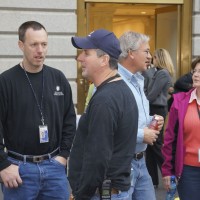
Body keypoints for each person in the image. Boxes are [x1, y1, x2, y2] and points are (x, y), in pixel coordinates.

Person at [0, 21, 76, 200]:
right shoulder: (5, 82)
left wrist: (64, 155)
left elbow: (69, 121)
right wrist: (3, 165)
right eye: (34, 44)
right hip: (18, 171)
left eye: (44, 44)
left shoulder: (58, 78)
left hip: (55, 168)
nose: (40, 50)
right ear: (21, 45)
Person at [68, 29, 139, 200]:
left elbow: (98, 157)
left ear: (104, 60)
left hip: (101, 193)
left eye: (86, 53)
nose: (80, 58)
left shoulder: (105, 100)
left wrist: (81, 194)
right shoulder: (120, 90)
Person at [118, 31, 164, 200]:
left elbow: (134, 117)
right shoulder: (114, 82)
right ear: (131, 53)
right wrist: (141, 135)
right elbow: (107, 127)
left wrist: (153, 121)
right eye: (146, 51)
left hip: (141, 161)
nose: (150, 56)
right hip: (122, 163)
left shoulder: (139, 79)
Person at [162, 56, 200, 200]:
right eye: (194, 71)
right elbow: (170, 138)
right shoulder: (180, 101)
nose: (195, 75)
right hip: (189, 172)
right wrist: (167, 171)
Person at [144, 48, 175, 187]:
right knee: (150, 147)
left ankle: (170, 175)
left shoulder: (162, 73)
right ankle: (153, 181)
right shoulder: (159, 72)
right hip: (155, 109)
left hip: (157, 110)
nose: (151, 59)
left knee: (155, 144)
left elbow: (151, 94)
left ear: (159, 58)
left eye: (154, 57)